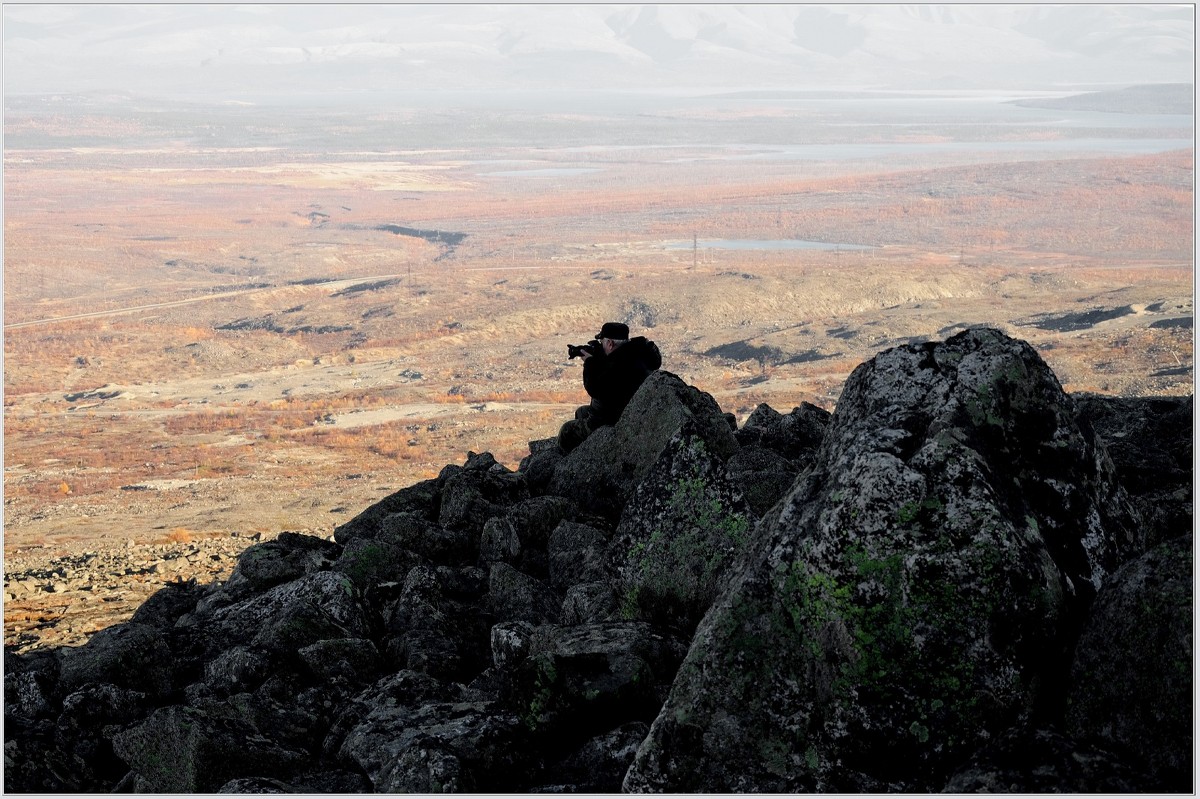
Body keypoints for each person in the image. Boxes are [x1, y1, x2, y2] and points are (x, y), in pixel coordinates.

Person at [557, 322, 661, 452]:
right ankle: (587, 448)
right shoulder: (635, 354)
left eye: (603, 342)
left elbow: (595, 389)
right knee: (581, 412)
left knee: (566, 431)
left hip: (614, 417)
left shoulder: (619, 365)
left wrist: (590, 363)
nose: (602, 346)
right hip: (626, 407)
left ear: (610, 344)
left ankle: (572, 462)